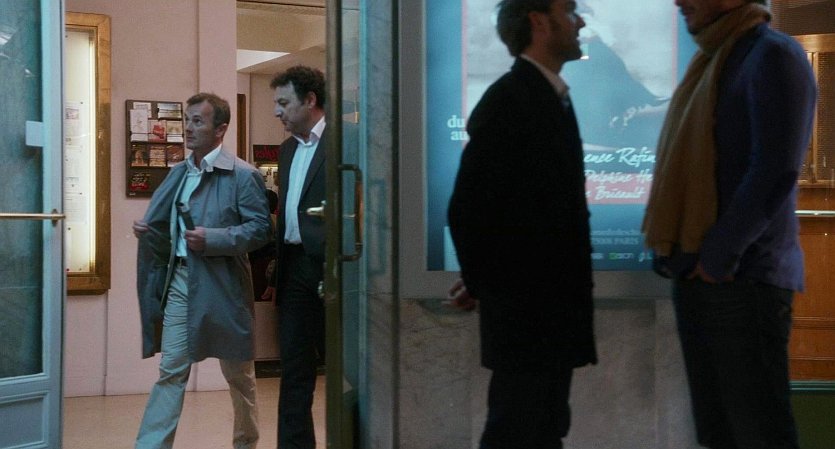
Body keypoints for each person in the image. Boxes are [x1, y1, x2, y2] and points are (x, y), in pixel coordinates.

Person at [642, 1, 817, 447]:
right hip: (700, 274)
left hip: (744, 279)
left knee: (759, 434)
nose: (678, 1)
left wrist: (719, 256)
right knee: (719, 435)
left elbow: (775, 168)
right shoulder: (713, 59)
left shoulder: (773, 54)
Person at [447, 1, 597, 447]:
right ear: (539, 22)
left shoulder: (548, 94)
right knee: (516, 430)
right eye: (569, 11)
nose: (580, 21)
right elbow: (468, 208)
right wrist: (485, 283)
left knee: (544, 428)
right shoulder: (510, 99)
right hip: (528, 318)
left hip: (547, 313)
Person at [133, 92, 272, 449]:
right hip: (181, 281)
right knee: (171, 370)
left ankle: (246, 443)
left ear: (220, 129)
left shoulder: (243, 175)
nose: (189, 129)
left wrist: (213, 238)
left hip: (225, 286)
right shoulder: (179, 173)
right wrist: (150, 233)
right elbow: (169, 233)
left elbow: (261, 230)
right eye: (187, 120)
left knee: (238, 374)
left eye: (198, 121)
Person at [264, 65, 327, 449]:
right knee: (294, 372)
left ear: (310, 100)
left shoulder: (346, 142)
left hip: (333, 270)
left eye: (284, 102)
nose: (277, 111)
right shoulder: (287, 150)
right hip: (293, 269)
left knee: (345, 369)